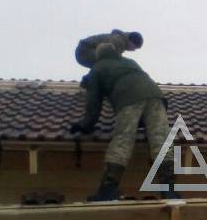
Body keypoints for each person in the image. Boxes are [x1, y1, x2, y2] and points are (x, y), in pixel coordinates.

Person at [70, 41, 176, 200]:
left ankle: (108, 190)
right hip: (155, 96)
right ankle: (169, 191)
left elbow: (94, 103)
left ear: (98, 56)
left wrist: (85, 125)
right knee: (161, 140)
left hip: (128, 99)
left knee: (123, 140)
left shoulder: (97, 68)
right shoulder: (130, 62)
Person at [74, 29, 143, 69]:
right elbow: (109, 58)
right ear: (130, 42)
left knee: (110, 64)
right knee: (109, 64)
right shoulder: (118, 41)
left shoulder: (120, 40)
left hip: (84, 50)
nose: (133, 50)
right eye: (134, 47)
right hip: (84, 51)